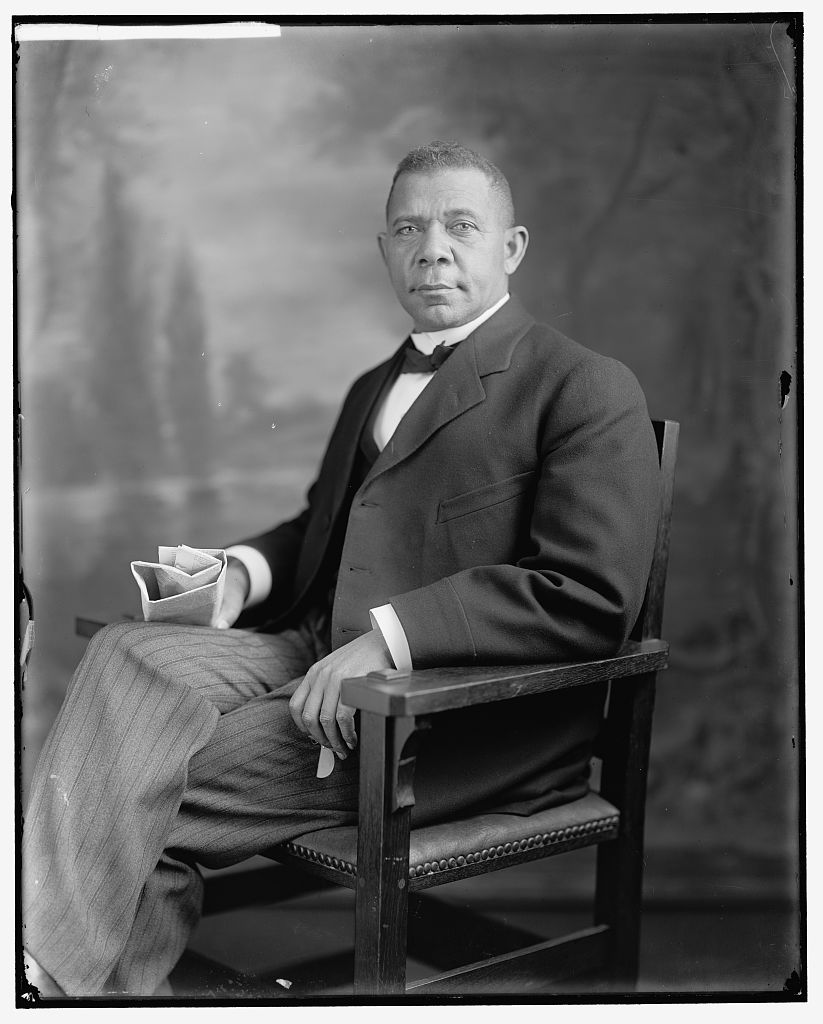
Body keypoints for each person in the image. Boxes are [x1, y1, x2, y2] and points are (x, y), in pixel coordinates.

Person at [22, 141, 661, 998]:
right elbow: (323, 526)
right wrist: (241, 574)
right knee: (126, 655)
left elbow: (588, 596)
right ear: (385, 251)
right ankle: (70, 980)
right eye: (409, 227)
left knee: (135, 776)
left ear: (509, 248)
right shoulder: (373, 384)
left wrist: (392, 641)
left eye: (460, 226)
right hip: (312, 652)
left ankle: (50, 982)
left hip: (443, 719)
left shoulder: (582, 385)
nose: (432, 246)